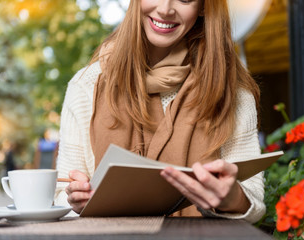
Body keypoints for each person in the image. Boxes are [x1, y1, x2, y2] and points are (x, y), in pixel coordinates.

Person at [55, 0, 265, 223]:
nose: (165, 9)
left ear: (204, 6)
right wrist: (77, 200)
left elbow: (254, 199)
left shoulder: (233, 92)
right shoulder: (85, 86)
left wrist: (232, 199)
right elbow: (61, 195)